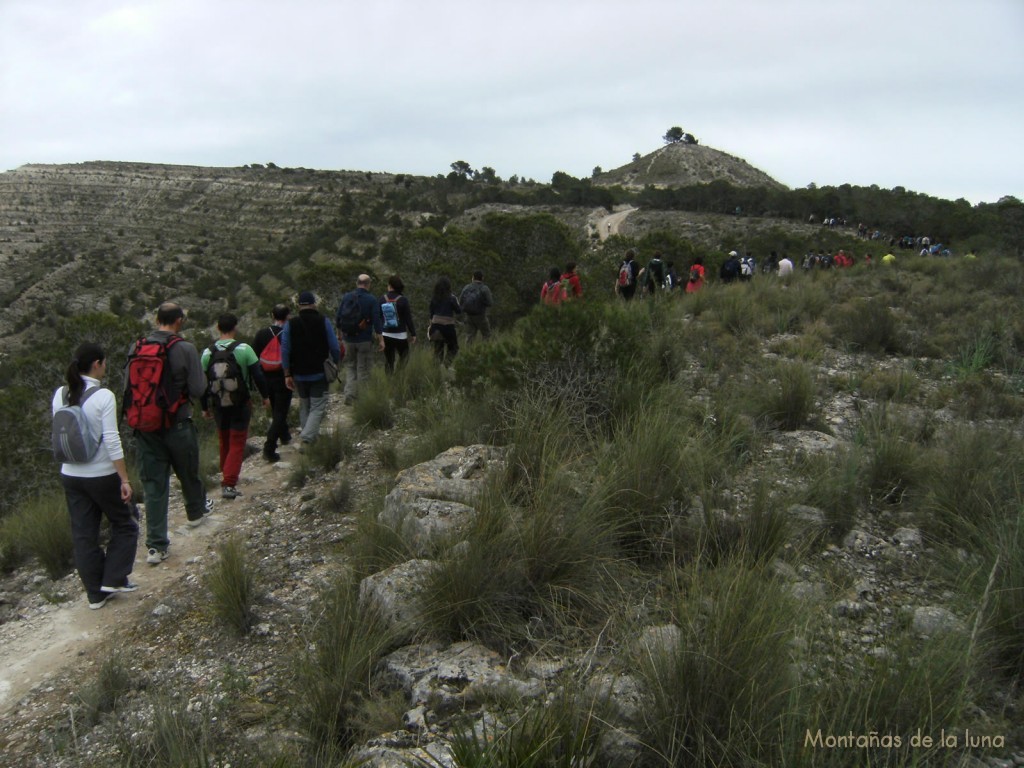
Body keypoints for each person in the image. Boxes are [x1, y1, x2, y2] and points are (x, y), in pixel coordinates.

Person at [54, 343, 138, 609]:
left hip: (70, 473)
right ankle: (114, 578)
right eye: (104, 363)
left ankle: (95, 594)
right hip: (101, 474)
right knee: (125, 523)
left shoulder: (60, 393)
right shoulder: (104, 396)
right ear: (98, 364)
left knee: (83, 534)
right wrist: (124, 479)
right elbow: (112, 440)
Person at [126, 302, 211, 566]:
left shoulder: (136, 348)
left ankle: (156, 546)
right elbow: (198, 388)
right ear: (179, 322)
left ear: (157, 319)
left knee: (154, 486)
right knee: (188, 471)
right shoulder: (184, 348)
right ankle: (196, 513)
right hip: (178, 423)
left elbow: (127, 386)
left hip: (145, 428)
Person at [201, 313, 270, 499]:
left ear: (218, 328)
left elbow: (202, 383)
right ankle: (229, 483)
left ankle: (226, 476)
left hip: (218, 404)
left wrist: (204, 407)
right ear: (235, 328)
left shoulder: (208, 352)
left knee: (224, 440)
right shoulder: (244, 349)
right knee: (237, 441)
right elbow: (258, 375)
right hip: (241, 402)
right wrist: (265, 397)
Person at [281, 291, 341, 446]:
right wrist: (336, 361)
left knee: (305, 404)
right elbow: (334, 346)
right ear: (314, 303)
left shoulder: (290, 324)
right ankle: (307, 439)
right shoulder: (323, 321)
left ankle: (309, 436)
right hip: (319, 372)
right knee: (317, 407)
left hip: (298, 373)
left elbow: (285, 350)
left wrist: (287, 373)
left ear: (299, 305)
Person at [252, 304, 292, 463]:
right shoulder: (288, 334)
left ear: (272, 315)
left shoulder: (261, 334)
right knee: (281, 412)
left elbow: (255, 358)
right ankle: (269, 447)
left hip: (266, 377)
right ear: (287, 316)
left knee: (276, 409)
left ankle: (285, 435)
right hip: (283, 377)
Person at [337, 274, 383, 405]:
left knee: (351, 367)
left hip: (348, 339)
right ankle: (363, 399)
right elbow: (376, 321)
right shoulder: (371, 299)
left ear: (357, 283)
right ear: (368, 284)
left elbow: (338, 317)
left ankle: (350, 395)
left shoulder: (347, 297)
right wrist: (381, 340)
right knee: (364, 369)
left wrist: (339, 335)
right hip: (364, 340)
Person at [380, 275, 417, 372]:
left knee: (389, 361)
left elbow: (379, 317)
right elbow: (408, 318)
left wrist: (379, 333)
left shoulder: (382, 299)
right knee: (404, 357)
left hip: (386, 334)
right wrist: (413, 333)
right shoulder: (403, 300)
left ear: (390, 286)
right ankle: (398, 376)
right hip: (400, 335)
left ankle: (389, 381)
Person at [428, 276, 461, 364]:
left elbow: (431, 313)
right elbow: (458, 311)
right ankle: (446, 365)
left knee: (438, 350)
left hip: (435, 326)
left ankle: (437, 370)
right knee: (453, 348)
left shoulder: (434, 298)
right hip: (448, 327)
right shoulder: (452, 298)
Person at [458, 270, 494, 343]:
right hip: (481, 316)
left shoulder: (466, 287)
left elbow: (460, 301)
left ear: (473, 278)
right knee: (486, 335)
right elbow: (490, 303)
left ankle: (468, 353)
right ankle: (485, 351)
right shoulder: (484, 288)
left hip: (469, 316)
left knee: (470, 336)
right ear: (482, 278)